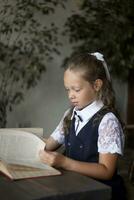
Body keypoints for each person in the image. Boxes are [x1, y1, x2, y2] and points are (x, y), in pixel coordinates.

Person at [39, 52, 127, 200]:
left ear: (97, 85)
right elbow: (49, 144)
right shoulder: (70, 114)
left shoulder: (107, 121)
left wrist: (64, 162)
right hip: (74, 186)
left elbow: (106, 171)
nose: (70, 95)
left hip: (100, 192)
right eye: (68, 89)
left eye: (76, 89)